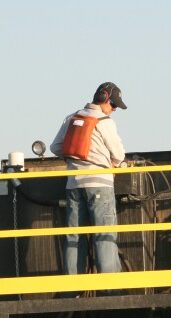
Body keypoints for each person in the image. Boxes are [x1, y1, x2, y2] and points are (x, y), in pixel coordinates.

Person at [51, 82, 127, 275]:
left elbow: (56, 147)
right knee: (104, 236)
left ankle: (72, 290)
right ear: (104, 99)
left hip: (73, 185)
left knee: (73, 237)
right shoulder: (105, 121)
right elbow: (118, 155)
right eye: (113, 104)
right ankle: (111, 290)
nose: (114, 109)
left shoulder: (72, 118)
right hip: (100, 184)